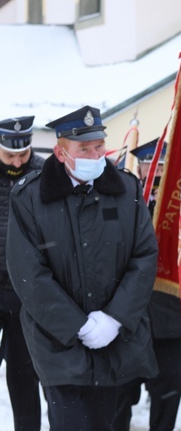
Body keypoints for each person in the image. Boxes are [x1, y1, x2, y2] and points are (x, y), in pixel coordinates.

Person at [6, 105, 159, 430]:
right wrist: (77, 325)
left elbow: (144, 257)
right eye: (84, 149)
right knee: (71, 422)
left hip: (116, 341)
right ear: (61, 152)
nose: (95, 154)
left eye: (99, 146)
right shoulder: (31, 197)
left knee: (111, 422)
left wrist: (114, 318)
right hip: (58, 342)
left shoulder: (126, 190)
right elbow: (29, 273)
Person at [113, 138, 181, 431]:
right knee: (120, 393)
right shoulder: (124, 199)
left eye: (165, 167)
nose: (157, 173)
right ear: (141, 167)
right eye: (151, 165)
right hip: (128, 316)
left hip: (168, 314)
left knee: (167, 391)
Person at [0, 116, 44, 430]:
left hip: (25, 292)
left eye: (22, 155)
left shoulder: (44, 173)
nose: (17, 161)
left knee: (24, 375)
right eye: (9, 155)